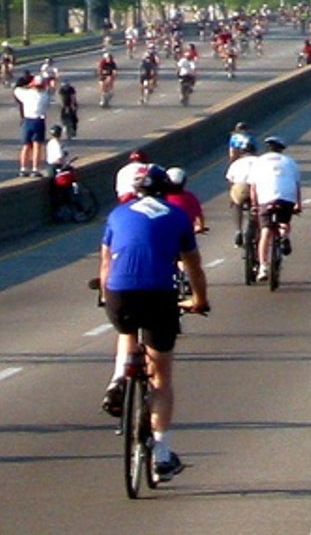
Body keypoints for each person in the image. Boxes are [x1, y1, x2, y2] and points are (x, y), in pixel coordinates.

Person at [99, 163, 210, 482]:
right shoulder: (176, 215)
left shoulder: (118, 214)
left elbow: (106, 261)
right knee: (160, 378)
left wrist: (108, 296)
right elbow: (194, 268)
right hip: (159, 294)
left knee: (126, 330)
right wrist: (199, 301)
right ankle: (161, 452)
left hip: (120, 292)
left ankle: (119, 377)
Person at [247, 136, 302, 279]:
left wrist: (254, 205)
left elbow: (253, 187)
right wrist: (298, 204)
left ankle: (263, 267)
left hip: (265, 197)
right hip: (286, 197)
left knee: (265, 231)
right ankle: (284, 236)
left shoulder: (258, 162)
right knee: (285, 221)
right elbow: (296, 184)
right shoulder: (289, 162)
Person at [14, 73, 52, 177]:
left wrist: (27, 84)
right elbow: (48, 102)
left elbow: (17, 89)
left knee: (26, 146)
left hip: (27, 121)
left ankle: (23, 168)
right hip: (39, 121)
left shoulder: (26, 94)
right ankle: (35, 168)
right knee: (37, 146)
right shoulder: (45, 96)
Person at [163, 167, 207, 233]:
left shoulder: (163, 198)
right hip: (186, 231)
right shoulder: (189, 197)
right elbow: (199, 215)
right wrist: (201, 227)